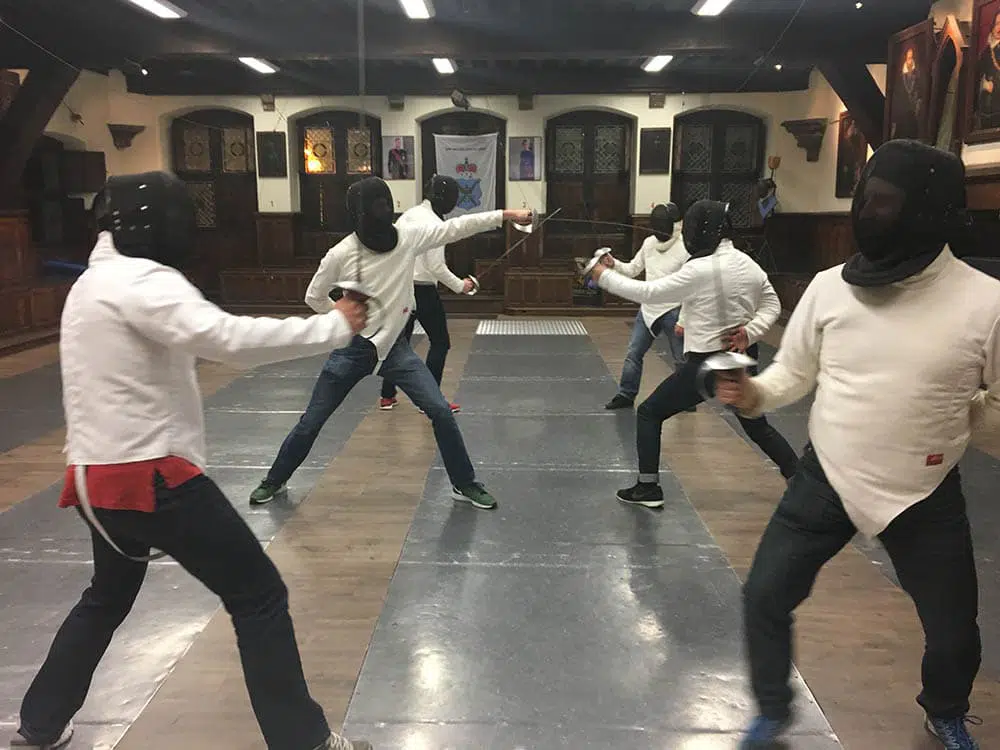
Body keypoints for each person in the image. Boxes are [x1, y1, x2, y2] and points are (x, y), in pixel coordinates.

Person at [13, 171, 372, 750]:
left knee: (106, 596)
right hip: (153, 480)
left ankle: (41, 722)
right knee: (258, 594)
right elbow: (228, 340)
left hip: (92, 483)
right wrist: (334, 327)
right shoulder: (144, 281)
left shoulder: (92, 282)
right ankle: (302, 740)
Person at [715, 141, 993, 750]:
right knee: (764, 595)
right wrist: (753, 394)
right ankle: (772, 710)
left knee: (954, 631)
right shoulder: (828, 288)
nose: (870, 213)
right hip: (826, 478)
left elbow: (997, 402)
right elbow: (794, 373)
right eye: (866, 198)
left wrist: (949, 423)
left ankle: (945, 710)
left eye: (886, 202)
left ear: (929, 210)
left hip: (923, 490)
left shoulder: (986, 303)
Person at [249, 176, 532, 510]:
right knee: (312, 420)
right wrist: (341, 316)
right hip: (353, 350)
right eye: (375, 207)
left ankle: (464, 482)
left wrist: (506, 215)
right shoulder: (342, 253)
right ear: (359, 213)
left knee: (440, 411)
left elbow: (456, 228)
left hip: (396, 350)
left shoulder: (408, 238)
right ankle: (274, 479)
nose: (381, 212)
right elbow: (314, 295)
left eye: (385, 204)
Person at [587, 199, 799, 509]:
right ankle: (797, 477)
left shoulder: (700, 269)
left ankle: (648, 488)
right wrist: (750, 332)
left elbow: (649, 292)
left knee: (649, 412)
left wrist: (602, 276)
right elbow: (772, 304)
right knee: (755, 424)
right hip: (742, 355)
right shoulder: (748, 264)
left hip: (709, 363)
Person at [379, 175, 474, 413]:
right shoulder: (434, 223)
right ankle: (430, 400)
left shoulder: (407, 215)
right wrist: (460, 286)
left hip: (401, 287)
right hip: (422, 291)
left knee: (398, 343)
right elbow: (436, 267)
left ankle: (387, 396)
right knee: (440, 342)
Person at [603, 202, 689, 410]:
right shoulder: (649, 243)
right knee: (634, 353)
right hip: (648, 309)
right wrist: (614, 264)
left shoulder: (685, 248)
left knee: (681, 359)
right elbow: (633, 269)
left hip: (673, 310)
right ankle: (626, 394)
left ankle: (686, 398)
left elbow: (690, 288)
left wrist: (684, 319)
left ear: (674, 225)